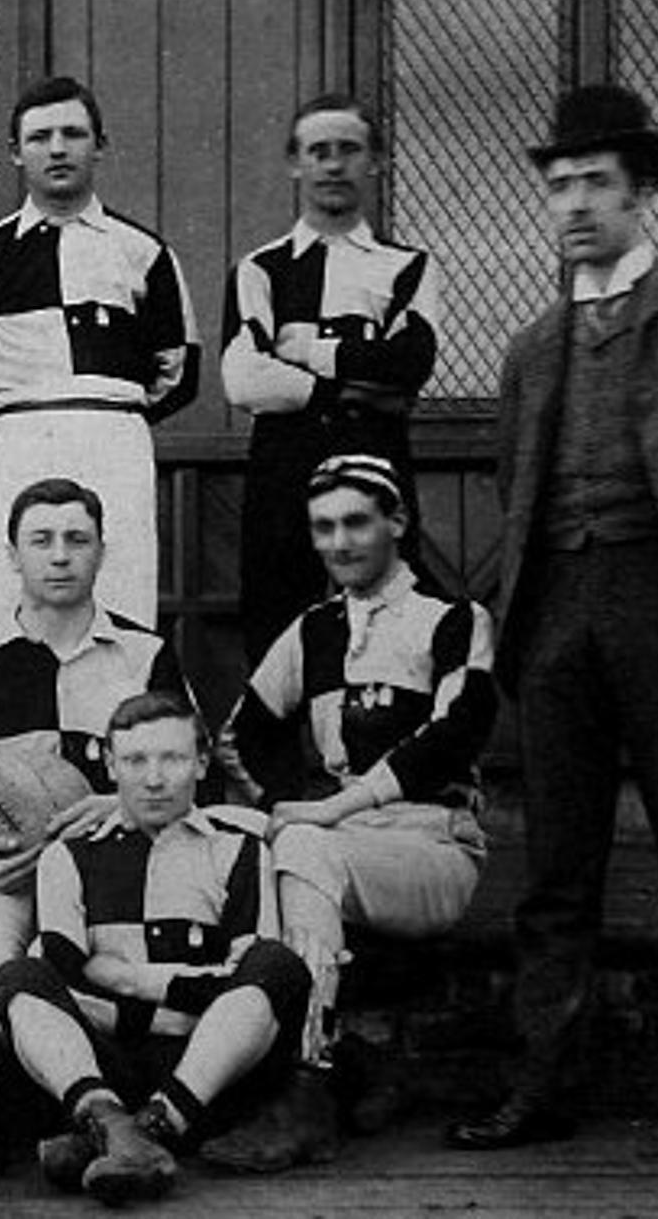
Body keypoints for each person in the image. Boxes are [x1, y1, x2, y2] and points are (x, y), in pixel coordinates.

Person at [444, 85, 658, 1163]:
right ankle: (543, 1083)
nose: (575, 204)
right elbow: (518, 484)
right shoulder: (532, 345)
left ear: (642, 191)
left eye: (596, 182)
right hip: (556, 613)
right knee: (557, 864)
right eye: (558, 186)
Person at [0, 478, 188, 1170]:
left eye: (77, 540)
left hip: (115, 871)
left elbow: (195, 776)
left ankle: (41, 1108)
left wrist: (121, 805)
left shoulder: (144, 654)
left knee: (72, 978)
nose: (59, 556)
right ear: (12, 555)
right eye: (41, 540)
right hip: (12, 871)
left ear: (101, 551)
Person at [209, 453, 494, 1170]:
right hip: (340, 842)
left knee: (303, 848)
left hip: (433, 845)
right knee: (220, 842)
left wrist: (331, 808)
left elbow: (454, 734)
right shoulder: (315, 629)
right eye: (323, 527)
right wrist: (279, 807)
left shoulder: (454, 620)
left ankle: (306, 1093)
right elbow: (242, 735)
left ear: (397, 522)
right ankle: (344, 1066)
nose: (339, 543)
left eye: (357, 522)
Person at [0, 691, 311, 1207]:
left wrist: (127, 979)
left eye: (172, 759)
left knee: (278, 966)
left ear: (201, 763)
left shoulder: (239, 850)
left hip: (209, 1076)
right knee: (17, 977)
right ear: (110, 764)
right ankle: (113, 1124)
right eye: (135, 760)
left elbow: (247, 979)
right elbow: (66, 976)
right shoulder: (68, 857)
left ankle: (139, 1132)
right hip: (105, 1067)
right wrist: (177, 1002)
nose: (154, 779)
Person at [0, 75, 201, 630]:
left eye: (73, 134)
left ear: (99, 145)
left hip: (114, 440)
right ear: (15, 152)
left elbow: (178, 370)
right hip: (19, 441)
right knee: (11, 601)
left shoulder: (143, 252)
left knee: (120, 595)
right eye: (39, 137)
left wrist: (105, 410)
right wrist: (24, 416)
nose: (57, 149)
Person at [222, 94, 442, 663]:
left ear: (376, 161)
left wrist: (305, 352)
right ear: (295, 163)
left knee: (392, 614)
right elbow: (244, 379)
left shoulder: (408, 266)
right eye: (319, 151)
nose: (334, 164)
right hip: (284, 461)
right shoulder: (260, 269)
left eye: (349, 150)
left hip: (376, 452)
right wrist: (349, 380)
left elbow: (409, 364)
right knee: (276, 623)